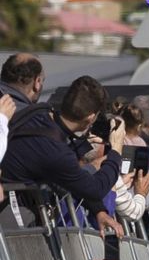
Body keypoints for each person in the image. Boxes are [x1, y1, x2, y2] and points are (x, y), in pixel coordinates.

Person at [1, 75, 124, 239]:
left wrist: (99, 211)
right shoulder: (55, 151)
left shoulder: (39, 113)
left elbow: (70, 179)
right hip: (13, 223)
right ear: (90, 118)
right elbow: (95, 188)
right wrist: (116, 150)